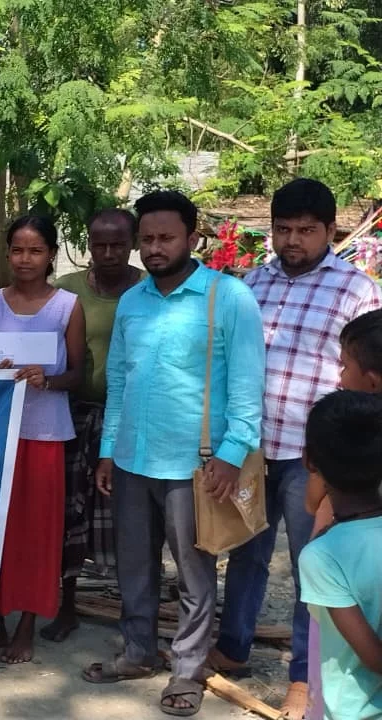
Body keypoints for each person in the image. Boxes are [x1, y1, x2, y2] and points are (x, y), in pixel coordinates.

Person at [81, 190, 264, 717]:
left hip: (196, 465)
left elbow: (248, 387)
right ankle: (138, 652)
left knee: (194, 573)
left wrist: (231, 454)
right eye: (147, 240)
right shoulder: (133, 301)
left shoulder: (229, 297)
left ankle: (187, 670)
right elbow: (120, 382)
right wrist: (109, 450)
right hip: (133, 460)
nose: (154, 249)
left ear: (193, 237)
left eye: (166, 238)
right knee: (134, 568)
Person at [212, 178, 382, 720]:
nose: (292, 241)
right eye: (283, 229)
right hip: (251, 447)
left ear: (330, 230)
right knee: (245, 553)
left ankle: (306, 678)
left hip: (318, 456)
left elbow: (366, 376)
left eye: (306, 230)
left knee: (316, 564)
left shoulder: (357, 290)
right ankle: (233, 647)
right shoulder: (250, 286)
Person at [0, 215, 85, 665]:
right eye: (18, 250)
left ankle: (27, 623)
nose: (25, 259)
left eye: (36, 250)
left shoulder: (67, 306)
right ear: (7, 253)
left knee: (38, 532)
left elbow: (78, 373)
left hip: (45, 432)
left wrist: (49, 379)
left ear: (51, 255)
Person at [43, 209, 143, 643]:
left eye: (117, 244)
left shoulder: (147, 290)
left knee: (131, 518)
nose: (108, 253)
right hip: (72, 414)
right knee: (71, 515)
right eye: (99, 244)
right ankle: (66, 605)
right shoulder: (67, 291)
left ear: (132, 243)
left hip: (132, 422)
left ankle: (135, 613)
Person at [299, 309, 382, 720]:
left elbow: (312, 501)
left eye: (345, 365)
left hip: (351, 701)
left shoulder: (321, 557)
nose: (339, 376)